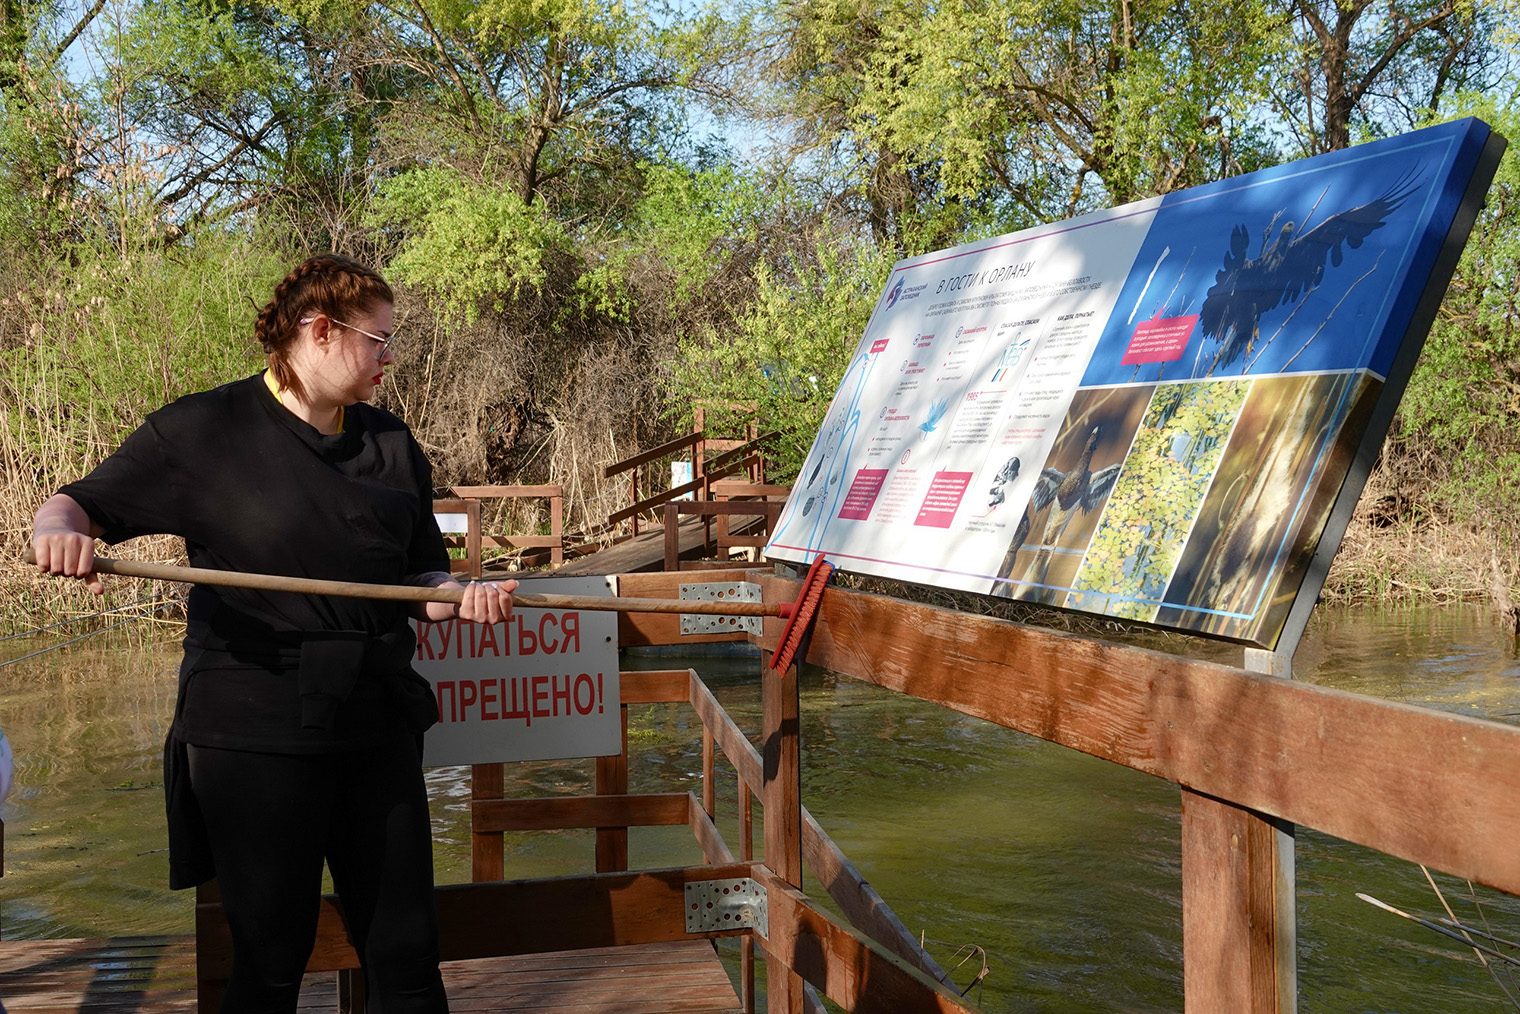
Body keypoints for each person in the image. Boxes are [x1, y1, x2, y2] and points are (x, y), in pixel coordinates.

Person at [30, 254, 513, 1014]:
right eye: (378, 341)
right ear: (319, 330)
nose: (390, 357)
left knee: (408, 953)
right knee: (269, 959)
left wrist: (457, 598)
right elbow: (76, 504)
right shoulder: (201, 431)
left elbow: (422, 580)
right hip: (252, 736)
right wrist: (58, 533)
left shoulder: (392, 445)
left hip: (375, 725)